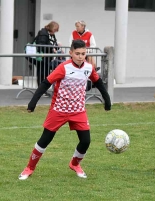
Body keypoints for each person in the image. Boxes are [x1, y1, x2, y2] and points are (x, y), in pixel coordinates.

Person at [18, 39, 111, 180]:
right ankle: (29, 168)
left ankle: (75, 164)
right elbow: (46, 83)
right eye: (77, 53)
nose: (80, 56)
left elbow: (98, 82)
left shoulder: (88, 67)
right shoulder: (63, 67)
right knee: (44, 140)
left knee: (86, 141)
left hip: (78, 110)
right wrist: (33, 103)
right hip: (59, 110)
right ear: (71, 53)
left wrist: (107, 100)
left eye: (83, 54)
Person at [34, 21, 59, 97]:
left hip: (47, 58)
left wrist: (56, 47)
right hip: (42, 57)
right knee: (42, 74)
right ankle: (41, 91)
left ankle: (43, 90)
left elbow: (54, 43)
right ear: (51, 28)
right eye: (55, 30)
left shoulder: (50, 34)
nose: (55, 32)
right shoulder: (43, 33)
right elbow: (42, 45)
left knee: (45, 74)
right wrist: (52, 49)